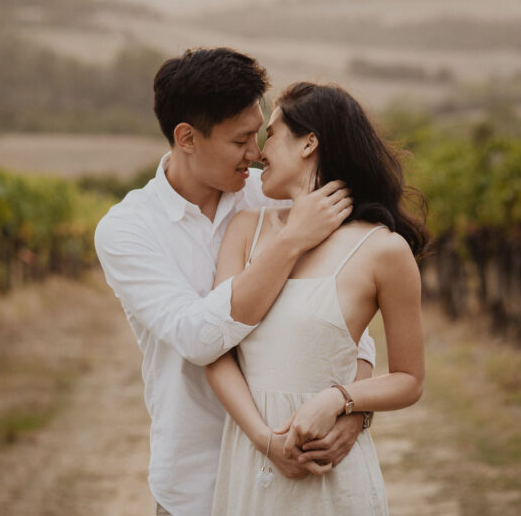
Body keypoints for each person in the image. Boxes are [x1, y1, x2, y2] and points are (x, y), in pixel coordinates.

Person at [93, 48, 377, 516]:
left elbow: (347, 321)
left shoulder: (272, 196)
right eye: (241, 140)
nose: (257, 153)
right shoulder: (128, 230)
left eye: (259, 133)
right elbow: (198, 338)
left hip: (299, 477)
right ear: (186, 137)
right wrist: (289, 244)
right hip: (197, 483)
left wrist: (355, 408)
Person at [206, 81, 428, 515]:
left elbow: (409, 380)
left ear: (310, 142)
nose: (258, 152)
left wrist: (341, 401)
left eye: (271, 133)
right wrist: (265, 441)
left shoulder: (383, 250)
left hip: (331, 480)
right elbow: (216, 348)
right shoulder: (245, 230)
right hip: (251, 469)